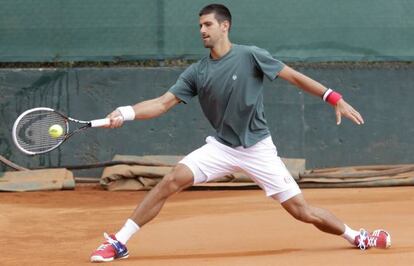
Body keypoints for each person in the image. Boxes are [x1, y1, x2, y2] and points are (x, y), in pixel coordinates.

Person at [90, 4, 391, 262]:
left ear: (225, 26)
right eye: (199, 26)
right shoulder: (197, 72)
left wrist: (334, 98)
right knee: (171, 180)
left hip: (258, 148)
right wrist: (126, 112)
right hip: (221, 147)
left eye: (208, 24)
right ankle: (119, 242)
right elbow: (161, 103)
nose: (202, 30)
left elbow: (294, 77)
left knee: (302, 211)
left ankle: (357, 236)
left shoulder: (251, 56)